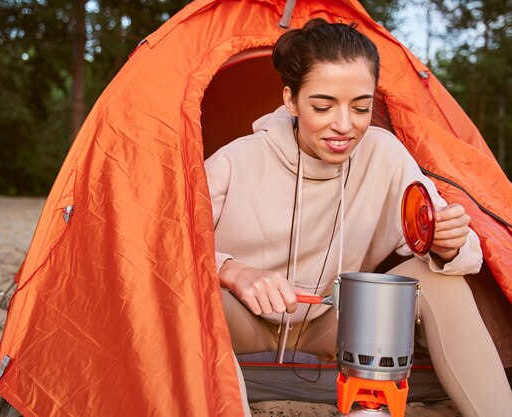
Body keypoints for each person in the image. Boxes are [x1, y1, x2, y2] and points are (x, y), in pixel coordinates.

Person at [205, 18, 512, 417]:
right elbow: (164, 254)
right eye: (322, 106)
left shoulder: (383, 155)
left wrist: (449, 243)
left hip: (334, 323)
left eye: (361, 107)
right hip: (242, 322)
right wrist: (231, 270)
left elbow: (466, 254)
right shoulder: (234, 161)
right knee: (191, 299)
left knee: (439, 281)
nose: (345, 125)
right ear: (291, 100)